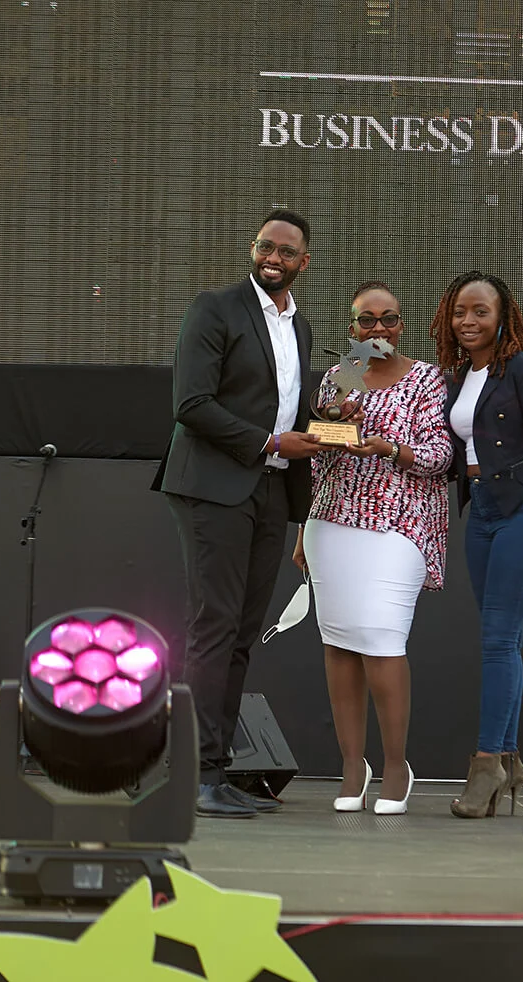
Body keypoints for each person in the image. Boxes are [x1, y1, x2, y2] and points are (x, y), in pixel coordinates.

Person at [151, 208, 325, 819]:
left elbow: (290, 413)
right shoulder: (215, 308)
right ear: (254, 249)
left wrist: (327, 427)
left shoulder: (300, 327)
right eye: (265, 246)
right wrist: (270, 442)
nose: (273, 258)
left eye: (286, 251)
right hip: (214, 486)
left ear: (304, 262)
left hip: (272, 491)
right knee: (215, 628)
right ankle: (194, 774)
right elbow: (191, 403)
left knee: (242, 636)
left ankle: (216, 770)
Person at [291, 281, 453, 815]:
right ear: (352, 327)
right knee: (339, 643)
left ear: (402, 325)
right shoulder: (340, 376)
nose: (378, 329)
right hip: (331, 519)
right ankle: (351, 765)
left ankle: (396, 765)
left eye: (389, 319)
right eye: (367, 320)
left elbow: (439, 456)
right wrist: (303, 524)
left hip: (400, 521)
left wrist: (386, 446)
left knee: (382, 638)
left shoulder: (425, 378)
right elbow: (319, 454)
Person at [432, 270, 523, 819]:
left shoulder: (522, 369)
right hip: (480, 514)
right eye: (459, 312)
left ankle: (487, 763)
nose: (468, 321)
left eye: (481, 311)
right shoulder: (456, 376)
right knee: (507, 639)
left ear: (503, 317)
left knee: (497, 641)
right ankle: (511, 760)